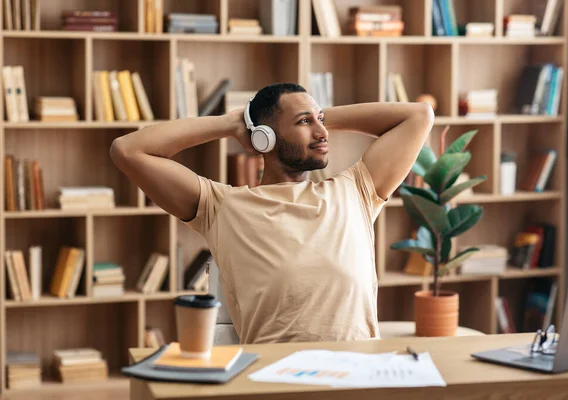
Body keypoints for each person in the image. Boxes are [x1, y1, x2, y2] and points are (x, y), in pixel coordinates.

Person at [110, 82, 434, 344]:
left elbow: (419, 116)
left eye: (320, 120)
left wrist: (316, 116)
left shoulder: (355, 190)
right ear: (264, 138)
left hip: (358, 379)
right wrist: (231, 123)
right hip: (276, 382)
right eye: (304, 122)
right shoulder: (221, 206)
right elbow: (127, 150)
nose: (323, 133)